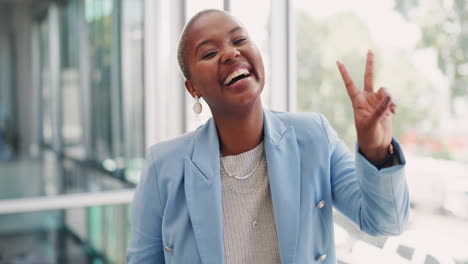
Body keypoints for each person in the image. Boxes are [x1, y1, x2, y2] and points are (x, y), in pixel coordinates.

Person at [127, 9, 409, 264]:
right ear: (193, 89)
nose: (230, 53)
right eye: (209, 53)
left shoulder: (314, 137)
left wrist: (376, 151)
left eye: (239, 41)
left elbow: (386, 223)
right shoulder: (163, 166)